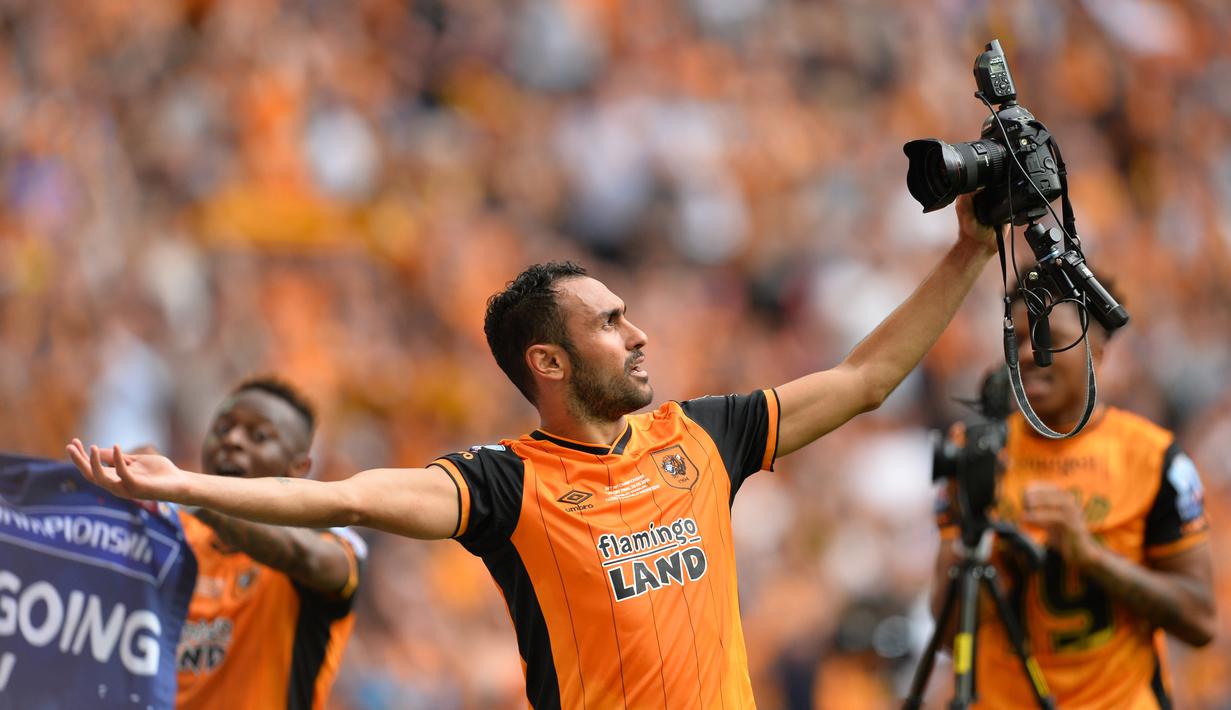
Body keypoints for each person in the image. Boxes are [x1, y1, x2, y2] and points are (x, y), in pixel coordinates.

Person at [71, 195, 995, 708]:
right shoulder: (506, 484)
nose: (638, 334)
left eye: (627, 313)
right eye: (609, 322)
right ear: (547, 362)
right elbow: (349, 500)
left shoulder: (703, 434)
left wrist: (966, 251)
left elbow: (867, 379)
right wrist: (184, 484)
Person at [930, 279, 1215, 709]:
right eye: (1019, 338)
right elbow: (949, 634)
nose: (1027, 353)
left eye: (1047, 337)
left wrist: (1091, 556)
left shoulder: (1153, 458)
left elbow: (1200, 621)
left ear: (1094, 352)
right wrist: (979, 541)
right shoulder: (979, 448)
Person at [172, 377, 366, 710]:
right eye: (222, 428)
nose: (232, 440)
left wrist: (188, 492)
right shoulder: (173, 532)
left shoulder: (329, 541)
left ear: (298, 468)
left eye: (258, 436)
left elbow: (309, 559)